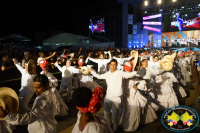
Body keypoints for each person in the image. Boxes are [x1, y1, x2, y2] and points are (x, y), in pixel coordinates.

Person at [88, 57, 146, 132]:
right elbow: (98, 76)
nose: (112, 66)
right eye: (111, 64)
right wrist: (91, 70)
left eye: (114, 65)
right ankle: (108, 127)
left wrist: (136, 71)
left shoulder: (120, 72)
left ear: (116, 65)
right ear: (109, 65)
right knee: (106, 114)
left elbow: (128, 75)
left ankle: (115, 128)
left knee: (114, 116)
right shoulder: (107, 73)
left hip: (117, 98)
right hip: (108, 97)